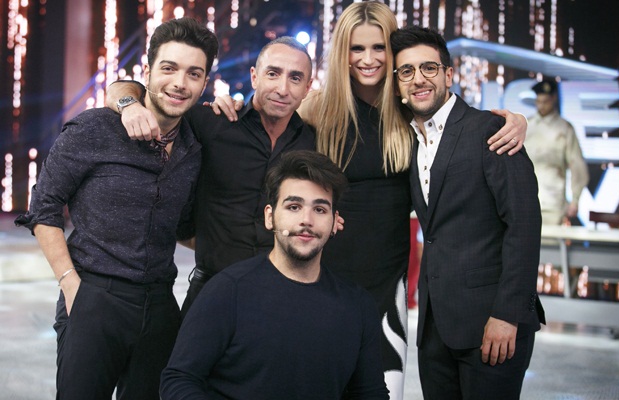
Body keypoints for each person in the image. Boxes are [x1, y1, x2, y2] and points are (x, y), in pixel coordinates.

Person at [209, 3, 529, 398]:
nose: (368, 59)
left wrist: (515, 121)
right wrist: (228, 105)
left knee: (381, 389)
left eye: (379, 47)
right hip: (321, 276)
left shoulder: (411, 110)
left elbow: (462, 124)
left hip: (388, 283)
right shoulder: (317, 109)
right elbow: (264, 123)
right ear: (342, 53)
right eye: (356, 48)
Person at [14, 17, 218, 400]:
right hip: (94, 294)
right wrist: (70, 285)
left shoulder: (195, 147)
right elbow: (43, 208)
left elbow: (182, 225)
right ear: (148, 72)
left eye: (194, 73)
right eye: (169, 68)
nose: (180, 82)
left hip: (160, 303)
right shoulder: (95, 128)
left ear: (204, 82)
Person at [105, 36, 317, 316]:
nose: (282, 88)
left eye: (295, 78)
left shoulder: (314, 143)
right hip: (211, 290)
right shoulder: (211, 122)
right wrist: (129, 104)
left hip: (282, 296)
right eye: (273, 73)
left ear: (307, 87)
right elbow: (130, 91)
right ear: (254, 77)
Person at [390, 25, 545, 399]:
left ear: (448, 74)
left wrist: (508, 314)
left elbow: (524, 224)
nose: (418, 79)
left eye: (428, 67)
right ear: (397, 85)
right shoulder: (408, 141)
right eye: (406, 71)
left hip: (492, 325)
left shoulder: (490, 129)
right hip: (435, 330)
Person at [159, 150, 388, 399]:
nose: (306, 220)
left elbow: (371, 394)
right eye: (293, 207)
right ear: (270, 217)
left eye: (320, 209)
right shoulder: (227, 291)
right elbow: (179, 380)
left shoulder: (357, 306)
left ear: (334, 223)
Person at [525, 78, 589, 226]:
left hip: (552, 200)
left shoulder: (564, 128)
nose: (541, 105)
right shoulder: (526, 126)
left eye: (545, 101)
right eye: (538, 101)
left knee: (551, 240)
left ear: (553, 99)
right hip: (525, 199)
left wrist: (575, 199)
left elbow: (577, 164)